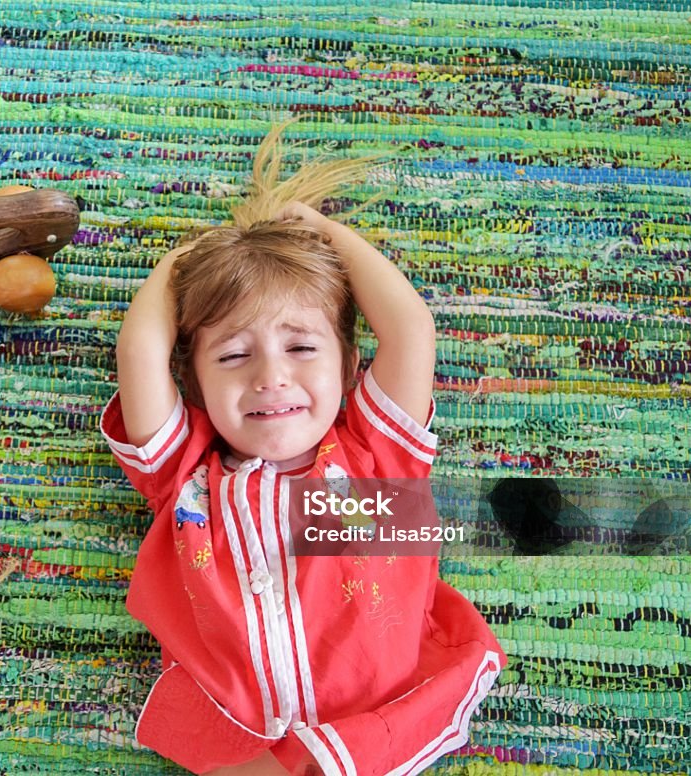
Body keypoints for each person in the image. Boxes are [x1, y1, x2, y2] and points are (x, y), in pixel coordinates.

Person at [101, 118, 506, 775]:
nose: (270, 376)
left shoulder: (376, 460)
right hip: (241, 730)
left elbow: (408, 329)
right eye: (233, 355)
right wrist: (179, 266)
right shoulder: (186, 480)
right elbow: (140, 350)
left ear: (349, 369)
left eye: (301, 347)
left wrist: (330, 236)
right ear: (195, 388)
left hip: (384, 711)